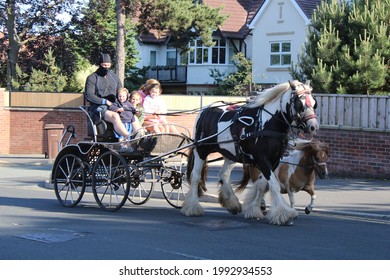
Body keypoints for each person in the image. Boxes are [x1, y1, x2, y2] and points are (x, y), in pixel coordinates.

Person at [84, 53, 133, 140]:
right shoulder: (92, 78)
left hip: (116, 106)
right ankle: (129, 137)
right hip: (98, 108)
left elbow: (121, 93)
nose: (106, 67)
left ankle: (140, 137)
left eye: (108, 65)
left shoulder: (115, 78)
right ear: (100, 64)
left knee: (132, 116)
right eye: (104, 65)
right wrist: (105, 101)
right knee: (115, 116)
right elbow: (89, 95)